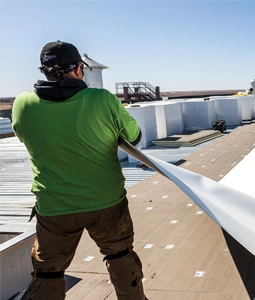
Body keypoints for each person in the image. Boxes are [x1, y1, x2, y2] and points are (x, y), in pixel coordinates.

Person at [12, 41, 148, 300]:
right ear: (77, 68)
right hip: (106, 202)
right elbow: (135, 136)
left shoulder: (22, 104)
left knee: (48, 272)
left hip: (54, 207)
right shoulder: (102, 98)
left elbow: (24, 135)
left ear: (45, 71)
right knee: (120, 256)